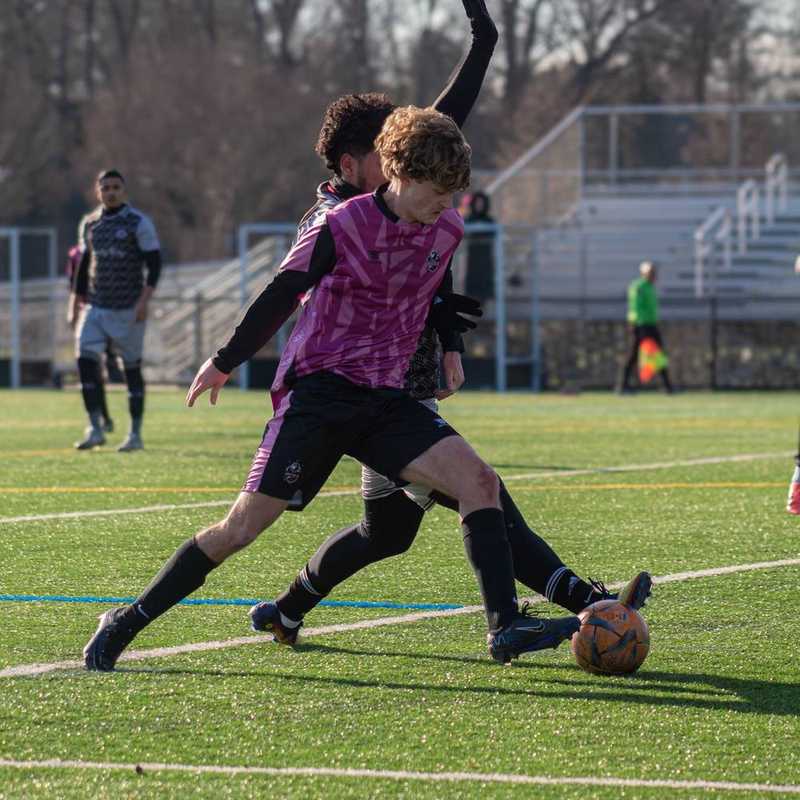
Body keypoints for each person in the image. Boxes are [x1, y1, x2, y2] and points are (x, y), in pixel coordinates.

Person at [83, 105, 587, 673]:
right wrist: (224, 361)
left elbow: (436, 285)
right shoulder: (340, 225)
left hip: (385, 401)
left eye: (454, 192)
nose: (447, 203)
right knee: (238, 530)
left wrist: (449, 344)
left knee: (479, 481)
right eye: (438, 189)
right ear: (399, 173)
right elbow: (282, 291)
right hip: (318, 397)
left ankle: (505, 627)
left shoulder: (446, 226)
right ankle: (123, 622)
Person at [67, 169, 162, 451]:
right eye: (105, 187)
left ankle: (135, 434)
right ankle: (95, 426)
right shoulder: (90, 223)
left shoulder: (138, 223)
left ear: (124, 190)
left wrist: (144, 301)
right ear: (98, 192)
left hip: (128, 308)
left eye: (116, 187)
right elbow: (83, 268)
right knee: (84, 359)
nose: (110, 192)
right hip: (95, 306)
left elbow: (154, 264)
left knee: (131, 367)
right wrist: (74, 304)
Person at [618, 260, 674, 394]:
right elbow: (635, 307)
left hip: (651, 325)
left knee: (659, 355)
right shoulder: (639, 286)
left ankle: (667, 387)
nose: (654, 275)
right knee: (634, 356)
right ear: (644, 273)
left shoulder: (650, 287)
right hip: (641, 325)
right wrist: (636, 323)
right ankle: (623, 385)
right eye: (651, 272)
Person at [463, 190, 497, 302]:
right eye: (477, 203)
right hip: (472, 260)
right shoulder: (468, 220)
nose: (479, 206)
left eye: (481, 203)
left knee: (484, 292)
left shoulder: (490, 221)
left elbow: (493, 234)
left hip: (485, 260)